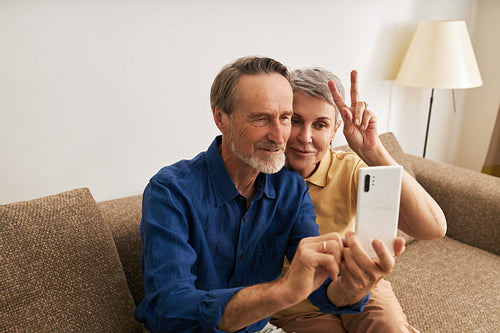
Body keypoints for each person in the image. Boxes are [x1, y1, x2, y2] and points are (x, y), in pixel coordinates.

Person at [134, 57, 373, 333]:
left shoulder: (290, 189)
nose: (279, 135)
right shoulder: (170, 191)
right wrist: (282, 291)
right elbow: (168, 310)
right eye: (261, 118)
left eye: (285, 118)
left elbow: (324, 290)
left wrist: (354, 286)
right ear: (221, 119)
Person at [270, 68, 447, 332]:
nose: (305, 137)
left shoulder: (351, 169)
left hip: (361, 289)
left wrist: (373, 150)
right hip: (298, 308)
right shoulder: (260, 175)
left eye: (320, 124)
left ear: (335, 131)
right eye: (296, 120)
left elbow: (433, 228)